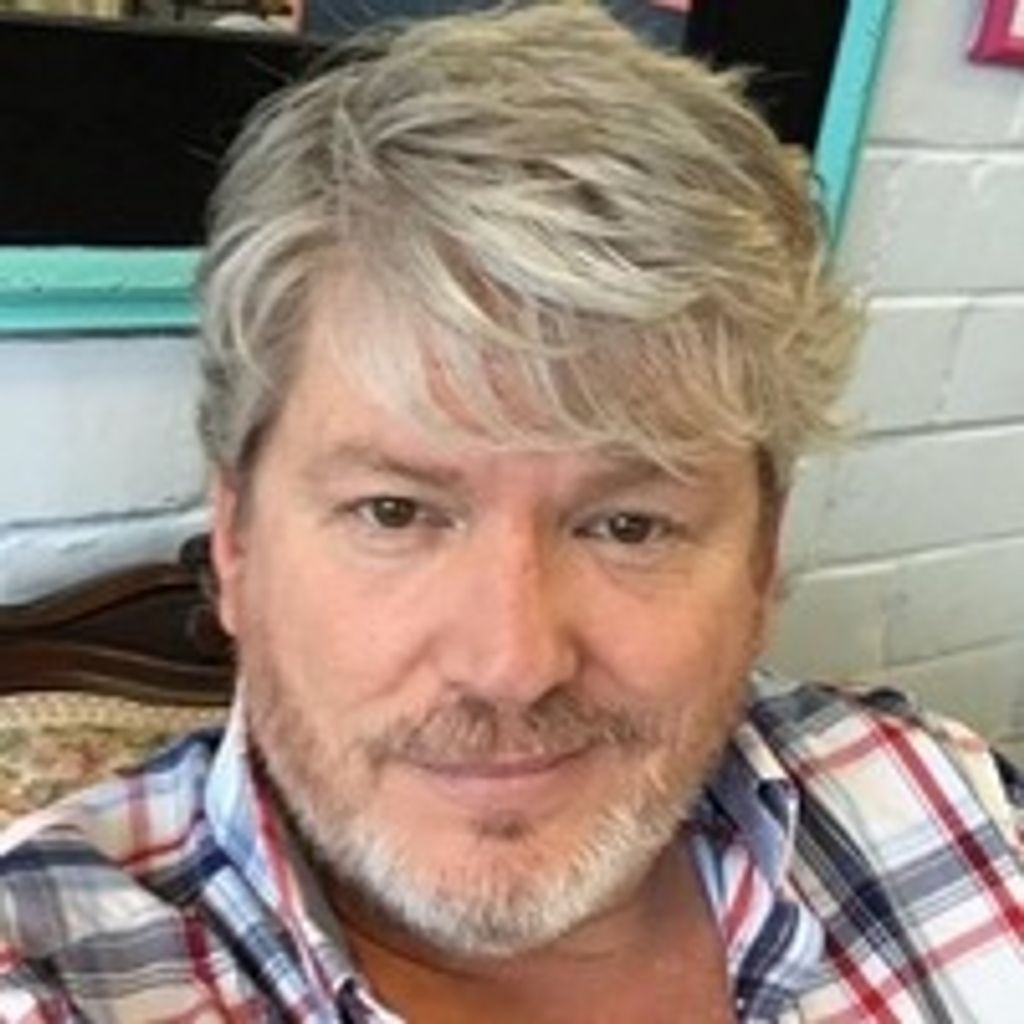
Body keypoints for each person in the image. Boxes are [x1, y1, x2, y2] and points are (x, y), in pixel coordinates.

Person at [2, 3, 1022, 1021]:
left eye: (628, 525)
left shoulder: (950, 805)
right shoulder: (59, 973)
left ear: (760, 562)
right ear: (236, 545)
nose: (512, 664)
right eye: (394, 512)